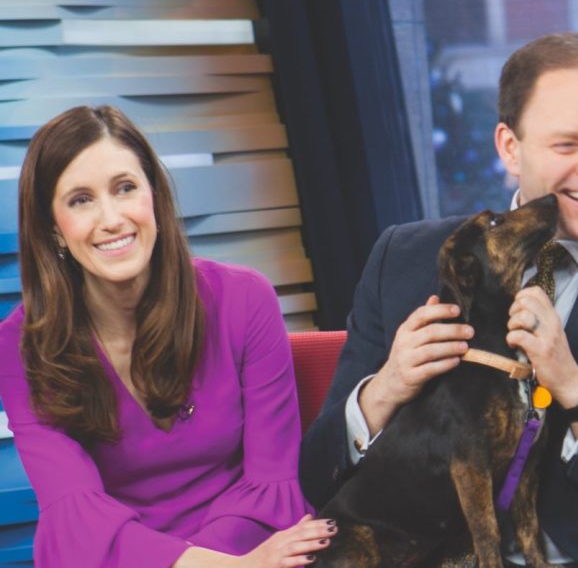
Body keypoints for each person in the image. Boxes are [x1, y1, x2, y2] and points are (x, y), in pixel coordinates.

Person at [300, 33, 578, 567]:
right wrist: (385, 390)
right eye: (567, 145)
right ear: (510, 147)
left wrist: (577, 391)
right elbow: (317, 477)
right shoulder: (405, 258)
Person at [0, 105, 337, 567]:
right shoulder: (21, 348)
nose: (112, 218)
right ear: (54, 230)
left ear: (154, 196)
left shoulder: (244, 299)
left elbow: (272, 487)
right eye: (81, 200)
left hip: (258, 543)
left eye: (125, 188)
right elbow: (77, 519)